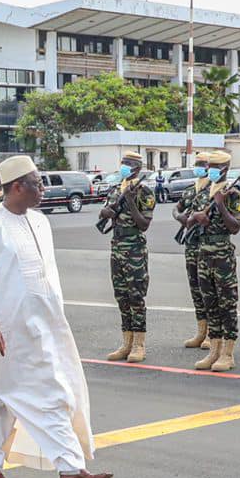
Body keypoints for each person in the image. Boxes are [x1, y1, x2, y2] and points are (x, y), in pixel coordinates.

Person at [0, 155, 112, 478]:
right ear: (17, 187)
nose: (43, 188)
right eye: (37, 183)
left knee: (55, 393)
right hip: (0, 333)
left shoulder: (41, 222)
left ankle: (71, 468)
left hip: (41, 329)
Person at [189, 151, 240, 372]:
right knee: (210, 303)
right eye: (209, 167)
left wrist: (221, 206)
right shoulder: (204, 194)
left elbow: (235, 227)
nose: (210, 170)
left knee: (227, 305)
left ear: (224, 169)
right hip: (203, 253)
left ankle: (227, 354)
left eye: (215, 167)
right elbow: (189, 218)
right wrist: (197, 218)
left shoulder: (233, 195)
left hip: (222, 255)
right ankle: (214, 350)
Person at [100, 151, 156, 363]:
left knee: (136, 297)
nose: (124, 166)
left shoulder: (144, 192)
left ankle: (139, 345)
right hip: (117, 248)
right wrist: (106, 212)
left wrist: (131, 202)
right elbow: (104, 212)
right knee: (121, 297)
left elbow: (144, 224)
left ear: (138, 168)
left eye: (128, 164)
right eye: (122, 162)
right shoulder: (116, 189)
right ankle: (126, 343)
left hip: (134, 250)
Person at [174, 153, 212, 350]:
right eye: (197, 164)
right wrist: (180, 217)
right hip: (190, 245)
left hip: (206, 245)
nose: (200, 167)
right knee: (195, 288)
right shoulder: (191, 190)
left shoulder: (214, 190)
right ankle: (201, 330)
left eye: (203, 164)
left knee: (209, 289)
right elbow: (176, 208)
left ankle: (212, 333)